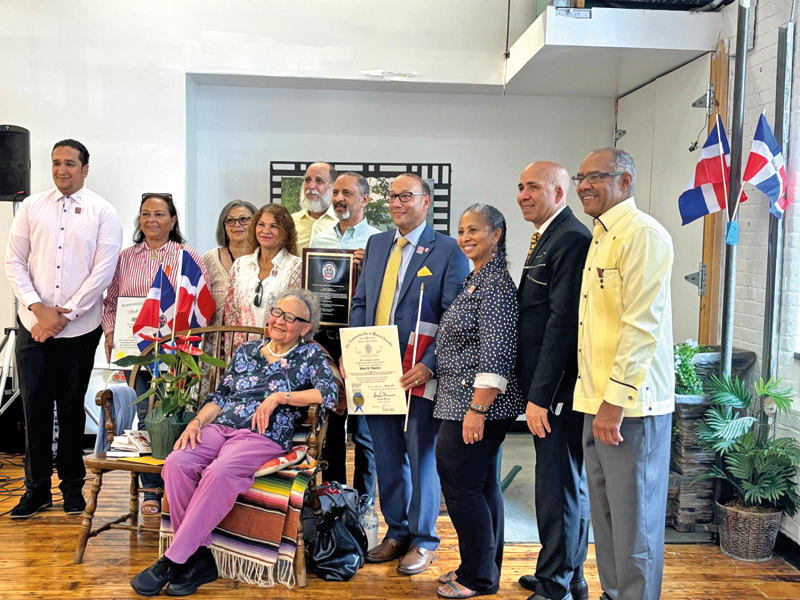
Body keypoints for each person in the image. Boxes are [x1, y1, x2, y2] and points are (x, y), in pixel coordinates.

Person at [130, 289, 337, 597]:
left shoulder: (310, 355)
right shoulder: (247, 350)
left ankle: (172, 560)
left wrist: (281, 397)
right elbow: (221, 396)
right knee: (177, 462)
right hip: (220, 427)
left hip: (262, 436)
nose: (280, 321)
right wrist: (198, 422)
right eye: (277, 312)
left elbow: (329, 393)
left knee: (220, 472)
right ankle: (200, 558)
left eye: (291, 318)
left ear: (306, 328)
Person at [349, 173, 469, 575]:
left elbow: (455, 317)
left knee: (421, 457)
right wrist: (354, 349)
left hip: (419, 371)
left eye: (406, 196)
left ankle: (424, 539)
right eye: (393, 196)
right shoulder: (378, 243)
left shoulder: (449, 250)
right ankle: (396, 531)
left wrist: (430, 363)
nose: (397, 203)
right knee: (386, 456)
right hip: (376, 371)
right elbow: (362, 300)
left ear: (426, 201)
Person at [573, 148, 674, 600]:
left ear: (626, 181)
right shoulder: (601, 234)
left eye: (596, 177)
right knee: (607, 521)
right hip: (595, 403)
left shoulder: (643, 235)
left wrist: (614, 404)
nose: (584, 185)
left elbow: (641, 326)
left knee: (636, 532)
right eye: (580, 177)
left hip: (630, 410)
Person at [5, 139, 123, 519]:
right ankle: (36, 489)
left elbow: (101, 273)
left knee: (72, 409)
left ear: (85, 169)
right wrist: (39, 311)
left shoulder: (103, 212)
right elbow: (14, 263)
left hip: (79, 329)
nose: (61, 170)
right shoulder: (30, 208)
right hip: (33, 325)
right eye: (56, 163)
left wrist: (64, 316)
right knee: (34, 410)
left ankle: (72, 488)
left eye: (70, 164)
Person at [433, 204, 524, 599]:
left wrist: (477, 410)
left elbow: (498, 353)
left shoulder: (496, 285)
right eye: (461, 230)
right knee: (481, 487)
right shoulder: (477, 278)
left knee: (461, 487)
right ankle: (482, 569)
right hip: (459, 398)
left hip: (476, 404)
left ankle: (477, 578)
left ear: (496, 235)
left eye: (474, 230)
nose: (466, 237)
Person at [102, 192, 208, 515]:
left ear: (173, 220)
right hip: (137, 353)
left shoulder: (187, 256)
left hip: (176, 354)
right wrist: (109, 331)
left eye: (160, 214)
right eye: (146, 214)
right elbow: (112, 300)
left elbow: (200, 303)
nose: (151, 220)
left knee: (170, 419)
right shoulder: (125, 257)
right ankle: (151, 490)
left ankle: (172, 487)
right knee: (145, 417)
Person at [516, 162, 591, 600]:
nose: (523, 194)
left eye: (534, 187)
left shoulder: (570, 239)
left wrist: (540, 396)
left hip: (558, 391)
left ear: (560, 192)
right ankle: (568, 574)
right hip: (544, 388)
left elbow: (563, 324)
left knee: (558, 488)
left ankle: (556, 584)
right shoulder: (548, 234)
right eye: (521, 187)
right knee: (558, 484)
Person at [310, 172, 380, 500]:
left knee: (365, 429)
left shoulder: (380, 241)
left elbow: (387, 295)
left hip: (363, 339)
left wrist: (371, 269)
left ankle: (365, 500)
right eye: (336, 192)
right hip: (326, 338)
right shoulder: (319, 236)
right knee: (332, 425)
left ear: (364, 199)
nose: (339, 198)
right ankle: (336, 496)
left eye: (347, 193)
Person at [224, 204, 302, 351]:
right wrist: (241, 348)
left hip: (279, 351)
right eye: (261, 224)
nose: (266, 231)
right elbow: (230, 314)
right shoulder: (240, 265)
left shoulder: (295, 266)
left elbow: (293, 314)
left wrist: (271, 349)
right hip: (242, 351)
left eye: (274, 226)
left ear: (285, 232)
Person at [202, 200, 257, 328]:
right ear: (224, 226)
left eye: (244, 219)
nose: (236, 225)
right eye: (230, 220)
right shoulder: (210, 259)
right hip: (217, 339)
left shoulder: (265, 258)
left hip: (254, 338)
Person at [291, 162, 338, 250]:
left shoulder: (342, 224)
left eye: (319, 181)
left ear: (333, 187)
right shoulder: (291, 222)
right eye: (307, 180)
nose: (311, 186)